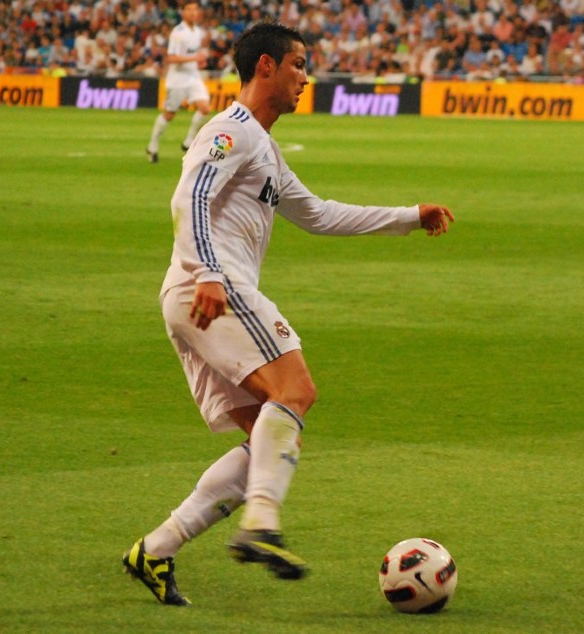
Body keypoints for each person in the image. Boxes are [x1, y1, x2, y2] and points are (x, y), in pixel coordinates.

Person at [121, 22, 455, 606]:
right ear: (267, 67)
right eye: (299, 64)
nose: (307, 76)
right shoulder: (231, 130)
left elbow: (321, 214)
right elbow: (189, 196)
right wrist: (209, 274)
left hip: (199, 293)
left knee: (265, 441)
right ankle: (261, 525)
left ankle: (155, 550)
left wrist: (409, 214)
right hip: (212, 287)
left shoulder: (265, 150)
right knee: (296, 391)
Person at [146, 1, 211, 163]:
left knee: (205, 108)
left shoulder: (197, 31)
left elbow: (193, 54)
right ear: (183, 13)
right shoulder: (178, 33)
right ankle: (152, 146)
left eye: (195, 10)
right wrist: (194, 58)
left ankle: (189, 142)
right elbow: (172, 58)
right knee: (169, 115)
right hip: (177, 80)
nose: (193, 13)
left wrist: (199, 62)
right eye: (189, 10)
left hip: (193, 77)